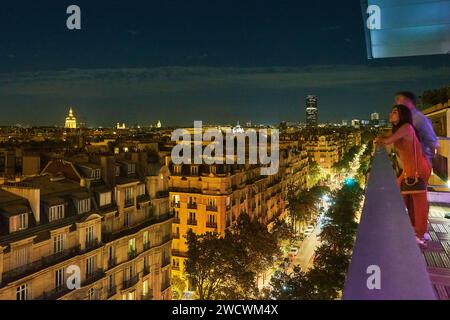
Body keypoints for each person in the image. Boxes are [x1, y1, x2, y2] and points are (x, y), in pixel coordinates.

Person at [376, 105, 431, 246]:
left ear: (403, 115)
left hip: (417, 169)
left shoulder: (406, 127)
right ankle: (413, 229)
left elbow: (387, 141)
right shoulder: (402, 129)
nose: (391, 114)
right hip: (410, 170)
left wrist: (379, 140)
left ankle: (421, 235)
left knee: (419, 203)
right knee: (407, 199)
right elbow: (389, 137)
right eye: (391, 111)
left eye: (395, 112)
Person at [395, 91, 439, 166]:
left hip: (418, 167)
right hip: (410, 166)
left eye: (399, 100)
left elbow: (432, 143)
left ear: (409, 101)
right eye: (397, 101)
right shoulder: (408, 118)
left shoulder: (419, 119)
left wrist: (433, 162)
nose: (397, 103)